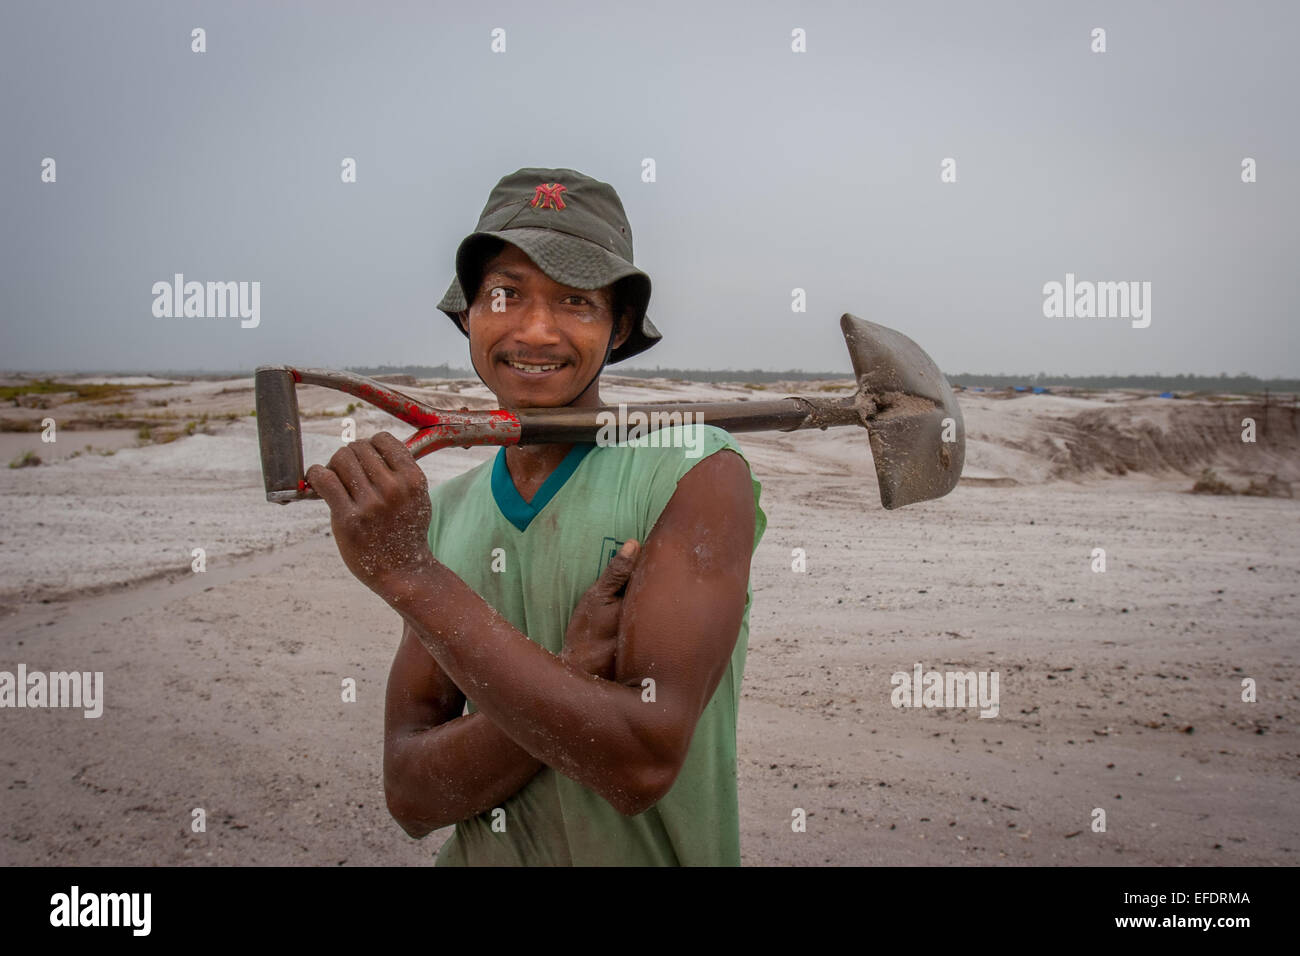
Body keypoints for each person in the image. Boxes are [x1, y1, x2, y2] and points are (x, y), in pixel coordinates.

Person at [306, 167, 767, 865]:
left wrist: (410, 577)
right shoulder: (450, 510)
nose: (537, 330)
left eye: (577, 300)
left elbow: (637, 763)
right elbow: (411, 797)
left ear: (617, 330)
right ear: (470, 313)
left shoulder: (694, 472)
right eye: (506, 294)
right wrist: (571, 671)